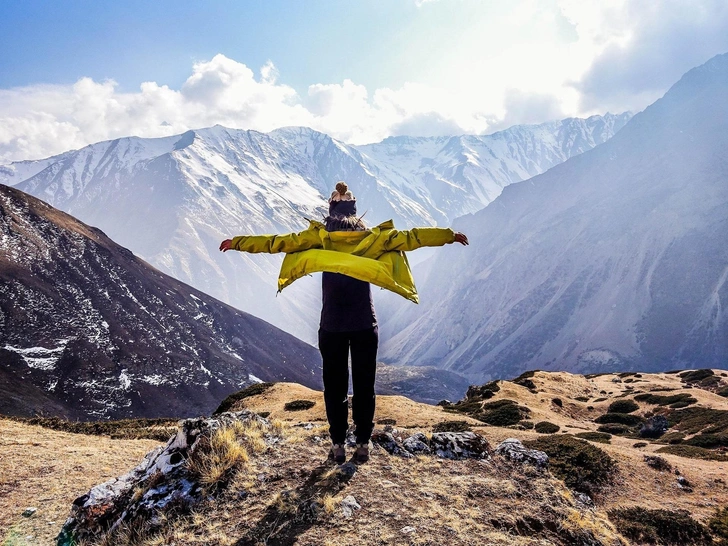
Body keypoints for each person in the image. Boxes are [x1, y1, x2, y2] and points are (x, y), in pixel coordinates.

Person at [220, 181, 468, 464]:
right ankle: (362, 444)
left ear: (330, 210)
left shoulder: (320, 238)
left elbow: (277, 242)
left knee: (335, 388)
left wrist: (238, 242)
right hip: (364, 324)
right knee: (364, 387)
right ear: (355, 211)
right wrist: (448, 235)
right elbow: (413, 237)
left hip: (332, 326)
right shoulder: (374, 239)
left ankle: (338, 444)